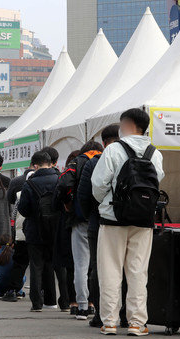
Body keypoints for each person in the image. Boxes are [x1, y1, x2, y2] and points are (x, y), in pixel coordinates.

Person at [92, 108, 165, 336]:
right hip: (143, 220)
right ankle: (136, 323)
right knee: (137, 271)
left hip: (113, 218)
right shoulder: (155, 153)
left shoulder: (114, 149)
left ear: (127, 124)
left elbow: (98, 184)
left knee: (110, 271)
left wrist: (109, 201)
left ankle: (110, 322)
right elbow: (157, 180)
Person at [78, 124, 127, 328]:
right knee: (127, 269)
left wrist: (91, 214)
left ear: (104, 142)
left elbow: (83, 194)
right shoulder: (133, 159)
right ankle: (126, 315)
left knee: (99, 269)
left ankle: (101, 314)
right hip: (129, 222)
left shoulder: (95, 162)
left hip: (99, 222)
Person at [57, 141, 104, 320]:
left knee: (81, 264)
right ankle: (97, 305)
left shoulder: (77, 162)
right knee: (101, 265)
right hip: (104, 219)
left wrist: (68, 203)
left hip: (79, 220)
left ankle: (82, 306)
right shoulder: (107, 159)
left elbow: (62, 185)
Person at [18, 151, 60, 312]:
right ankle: (54, 300)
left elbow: (23, 209)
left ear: (35, 166)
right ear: (50, 163)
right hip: (55, 229)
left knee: (36, 266)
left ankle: (36, 303)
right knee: (54, 264)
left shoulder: (30, 184)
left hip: (35, 229)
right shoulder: (58, 180)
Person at [2, 164, 36, 302]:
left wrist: (14, 235)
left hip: (22, 234)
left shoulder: (19, 194)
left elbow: (15, 216)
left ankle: (13, 290)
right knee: (39, 265)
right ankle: (41, 293)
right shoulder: (45, 191)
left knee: (19, 263)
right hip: (40, 235)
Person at [53, 150, 79, 313]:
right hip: (85, 223)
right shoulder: (88, 177)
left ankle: (73, 301)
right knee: (87, 266)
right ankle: (90, 302)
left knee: (70, 266)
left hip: (66, 226)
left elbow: (55, 205)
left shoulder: (64, 180)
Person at [0, 234, 18, 298]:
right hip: (14, 283)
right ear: (12, 245)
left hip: (0, 283)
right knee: (22, 276)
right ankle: (18, 291)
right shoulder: (15, 253)